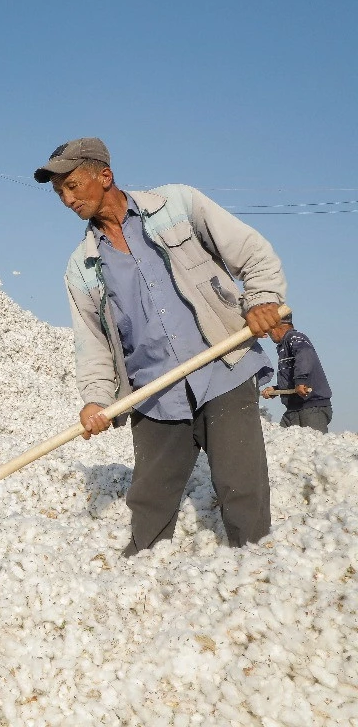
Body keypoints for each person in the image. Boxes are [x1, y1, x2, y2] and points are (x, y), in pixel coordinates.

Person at [36, 137, 286, 556]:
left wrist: (262, 299)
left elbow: (253, 253)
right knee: (150, 502)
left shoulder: (177, 206)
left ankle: (257, 573)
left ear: (105, 175)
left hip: (222, 369)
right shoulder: (81, 266)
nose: (66, 198)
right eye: (59, 192)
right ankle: (142, 586)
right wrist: (96, 398)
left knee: (242, 489)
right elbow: (92, 343)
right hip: (155, 394)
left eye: (73, 185)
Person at [262, 316, 333, 432]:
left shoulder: (294, 337)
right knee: (281, 444)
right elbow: (291, 375)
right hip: (293, 409)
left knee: (312, 447)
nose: (270, 335)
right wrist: (276, 389)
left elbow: (304, 355)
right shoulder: (283, 347)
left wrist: (301, 381)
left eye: (270, 331)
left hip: (312, 407)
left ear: (276, 328)